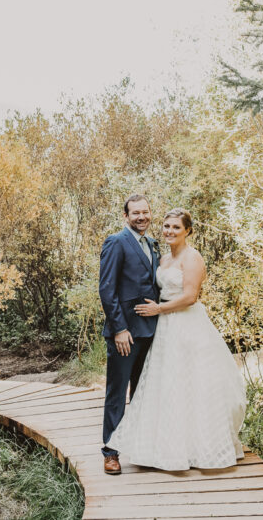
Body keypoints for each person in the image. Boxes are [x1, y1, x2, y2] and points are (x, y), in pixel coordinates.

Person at [105, 208, 247, 471]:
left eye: (176, 228)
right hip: (164, 329)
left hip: (186, 324)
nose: (169, 231)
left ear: (188, 231)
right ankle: (159, 447)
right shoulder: (162, 258)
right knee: (168, 384)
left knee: (193, 384)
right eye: (167, 226)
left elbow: (191, 296)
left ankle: (198, 448)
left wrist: (159, 309)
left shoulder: (193, 258)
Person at [98, 194, 160, 475]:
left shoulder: (152, 244)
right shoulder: (116, 242)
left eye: (145, 212)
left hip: (150, 330)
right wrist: (119, 329)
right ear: (126, 216)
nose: (141, 217)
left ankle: (138, 447)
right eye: (135, 213)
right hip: (125, 333)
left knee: (142, 391)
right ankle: (111, 452)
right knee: (116, 392)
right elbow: (107, 290)